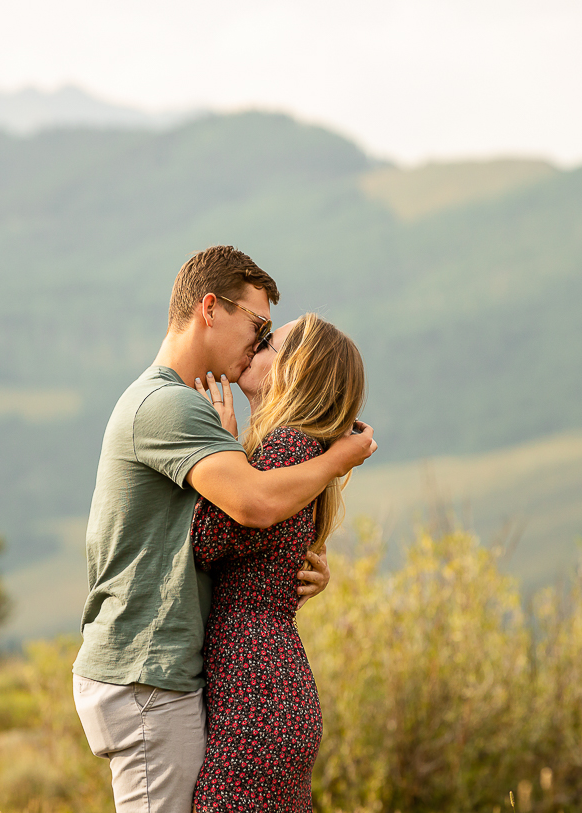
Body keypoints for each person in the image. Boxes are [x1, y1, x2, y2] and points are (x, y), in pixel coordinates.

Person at [72, 247, 377, 813]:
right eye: (257, 328)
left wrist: (286, 567)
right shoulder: (171, 407)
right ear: (210, 309)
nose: (256, 345)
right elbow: (253, 506)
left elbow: (241, 523)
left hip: (202, 674)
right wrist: (340, 457)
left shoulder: (249, 434)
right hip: (152, 674)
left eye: (267, 338)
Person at [189, 313, 365, 813]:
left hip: (255, 690)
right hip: (270, 685)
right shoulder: (299, 451)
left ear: (294, 371)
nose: (253, 348)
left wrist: (221, 448)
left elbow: (206, 539)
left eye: (267, 343)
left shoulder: (286, 447)